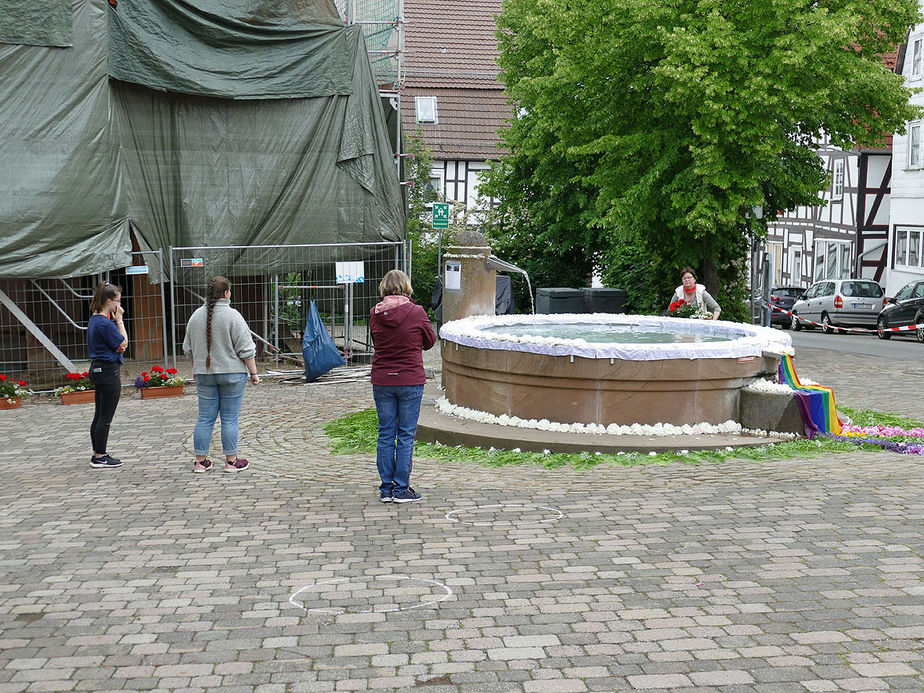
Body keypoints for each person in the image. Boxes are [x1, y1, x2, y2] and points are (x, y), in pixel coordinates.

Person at [370, 269, 436, 503]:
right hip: (409, 378)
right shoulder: (416, 312)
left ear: (384, 288)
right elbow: (430, 341)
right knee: (406, 434)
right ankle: (401, 489)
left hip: (382, 379)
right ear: (406, 287)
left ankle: (386, 489)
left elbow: (376, 342)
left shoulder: (375, 313)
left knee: (386, 432)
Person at [183, 276, 259, 473]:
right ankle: (231, 462)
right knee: (230, 419)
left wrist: (195, 369)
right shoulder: (233, 316)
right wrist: (254, 373)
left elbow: (187, 349)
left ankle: (201, 462)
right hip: (233, 374)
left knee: (205, 418)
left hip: (204, 374)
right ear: (226, 293)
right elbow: (246, 349)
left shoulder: (195, 316)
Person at [87, 282, 128, 469]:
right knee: (105, 417)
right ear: (108, 301)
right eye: (117, 301)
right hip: (108, 370)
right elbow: (123, 343)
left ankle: (98, 453)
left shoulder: (94, 319)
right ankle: (100, 456)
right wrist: (119, 320)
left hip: (98, 369)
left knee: (99, 415)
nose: (118, 306)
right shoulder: (105, 323)